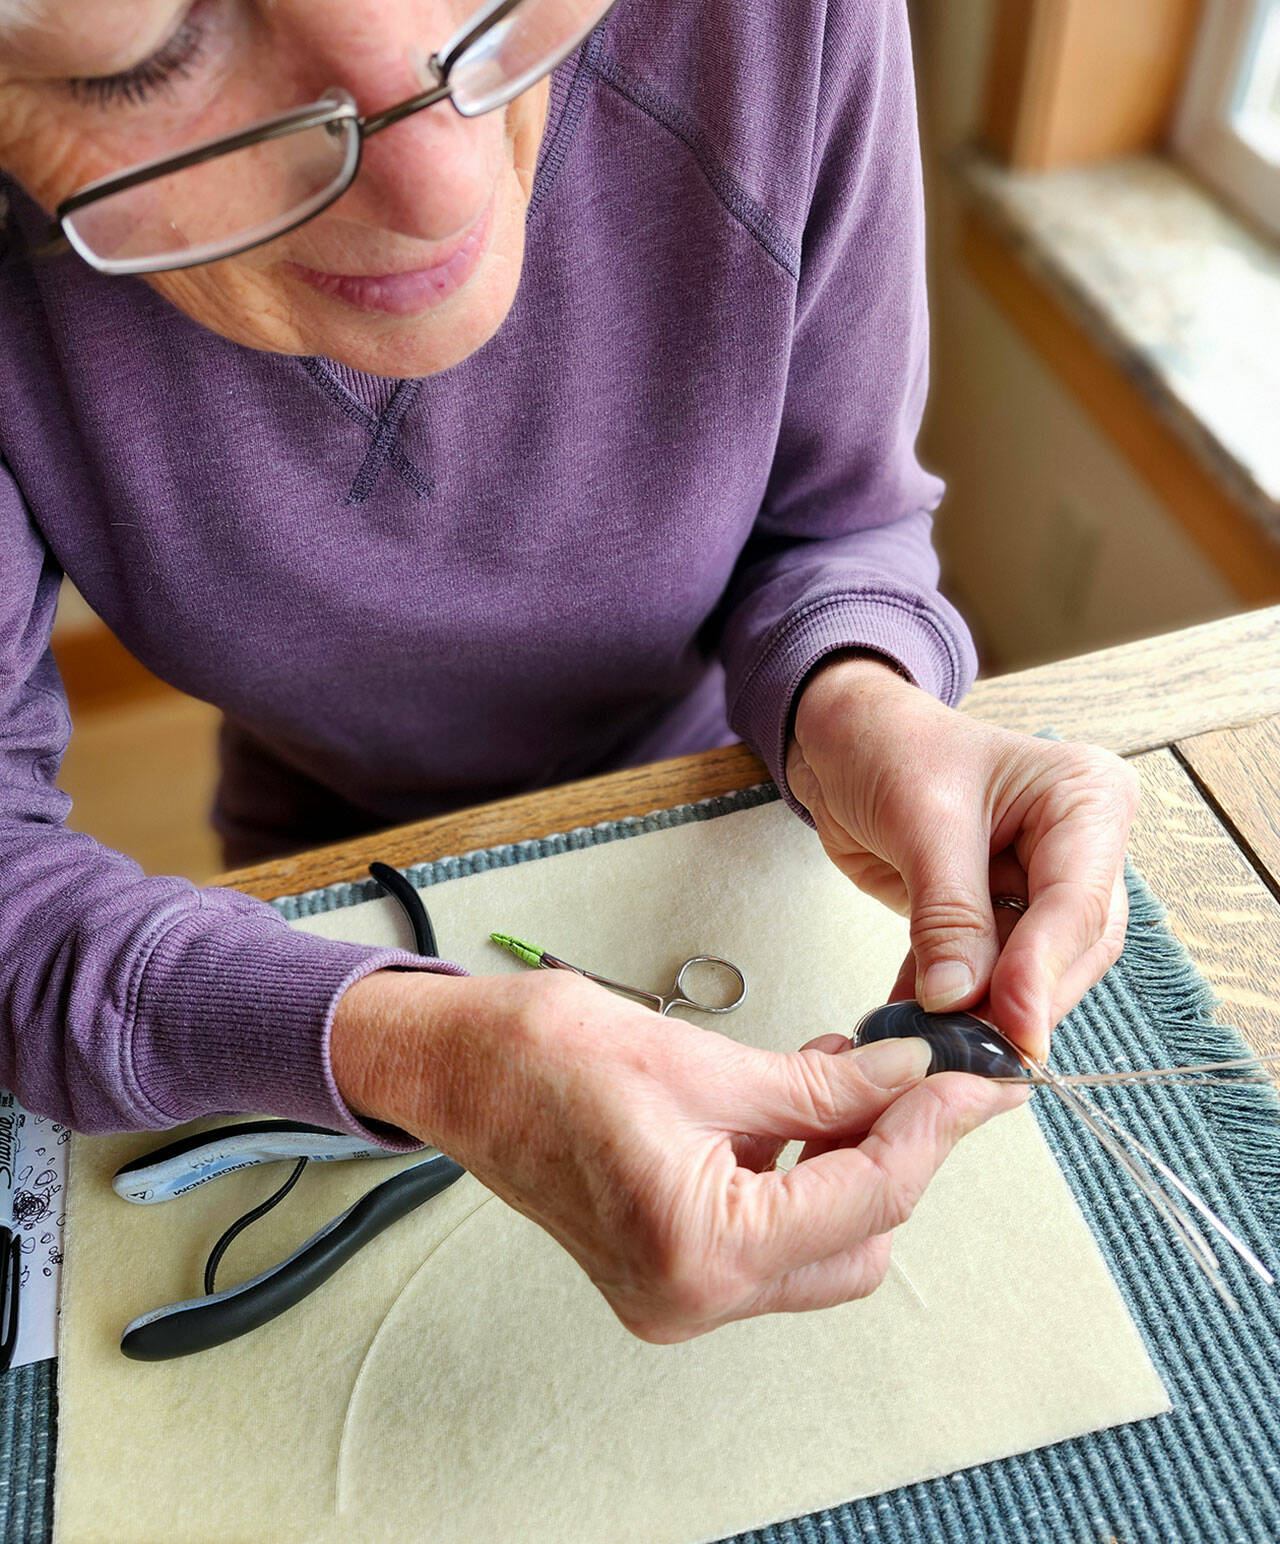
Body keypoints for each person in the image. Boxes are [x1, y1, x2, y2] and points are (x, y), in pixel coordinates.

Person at [0, 0, 1137, 1343]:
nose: (441, 186)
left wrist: (860, 697)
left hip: (740, 817)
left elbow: (833, 523)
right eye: (146, 66)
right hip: (329, 863)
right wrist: (404, 1051)